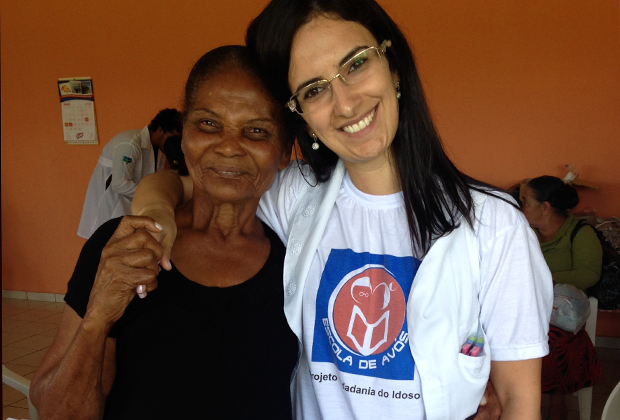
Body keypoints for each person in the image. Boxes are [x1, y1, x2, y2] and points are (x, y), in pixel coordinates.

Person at [133, 1, 553, 418]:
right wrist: (155, 211)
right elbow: (187, 183)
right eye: (314, 90)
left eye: (355, 65)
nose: (347, 104)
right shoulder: (294, 194)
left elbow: (518, 400)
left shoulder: (493, 225)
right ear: (303, 118)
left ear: (393, 67)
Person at [30, 46, 299, 419]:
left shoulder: (298, 261)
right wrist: (98, 316)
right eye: (208, 124)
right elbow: (59, 413)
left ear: (284, 151)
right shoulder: (123, 246)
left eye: (256, 131)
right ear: (184, 134)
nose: (228, 147)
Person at [521, 175, 602, 420]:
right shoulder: (524, 234)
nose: (520, 207)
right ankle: (516, 399)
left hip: (563, 312)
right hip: (527, 306)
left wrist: (542, 278)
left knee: (554, 343)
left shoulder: (580, 233)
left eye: (525, 202)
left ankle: (558, 405)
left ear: (544, 207)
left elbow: (589, 275)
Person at [77, 108, 182, 239]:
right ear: (160, 130)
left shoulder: (160, 149)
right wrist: (151, 193)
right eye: (172, 137)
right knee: (105, 244)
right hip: (112, 205)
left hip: (132, 208)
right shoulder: (129, 144)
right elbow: (119, 184)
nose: (173, 143)